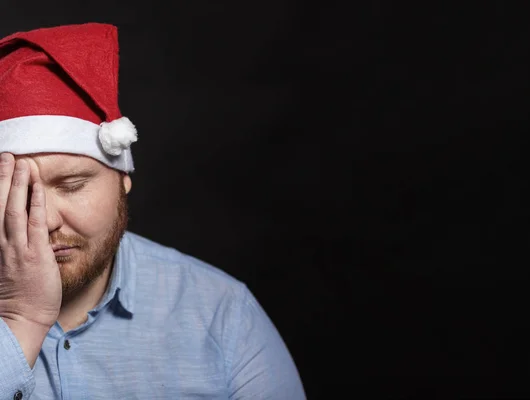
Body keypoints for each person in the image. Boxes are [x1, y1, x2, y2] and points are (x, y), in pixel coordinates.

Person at [0, 23, 305, 399]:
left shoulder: (222, 315)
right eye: (18, 194)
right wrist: (20, 323)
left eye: (73, 185)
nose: (44, 220)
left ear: (122, 177)